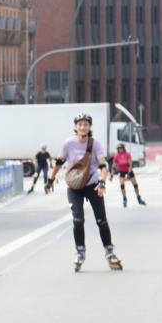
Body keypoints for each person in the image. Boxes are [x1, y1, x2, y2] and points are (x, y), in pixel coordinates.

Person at [48, 112, 122, 272]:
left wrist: (102, 182)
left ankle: (110, 252)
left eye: (86, 124)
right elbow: (59, 162)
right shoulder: (68, 143)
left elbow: (103, 166)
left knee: (101, 220)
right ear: (75, 127)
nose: (83, 127)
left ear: (89, 127)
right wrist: (50, 179)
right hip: (75, 187)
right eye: (80, 124)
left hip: (93, 185)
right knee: (78, 220)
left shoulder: (95, 144)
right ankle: (80, 251)